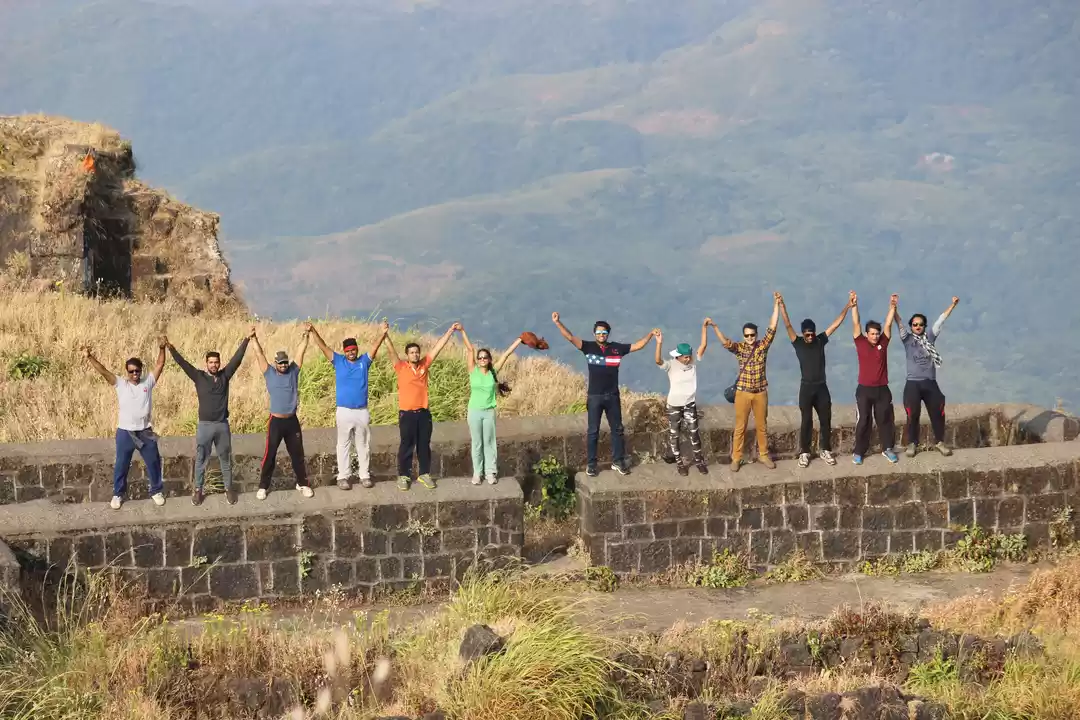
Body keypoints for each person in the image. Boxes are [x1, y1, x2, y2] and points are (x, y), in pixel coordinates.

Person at [552, 313, 658, 477]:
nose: (601, 335)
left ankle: (617, 461)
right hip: (595, 396)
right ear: (594, 334)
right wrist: (558, 322)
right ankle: (592, 464)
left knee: (617, 430)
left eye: (604, 333)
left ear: (608, 334)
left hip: (612, 396)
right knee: (593, 431)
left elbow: (637, 346)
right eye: (599, 333)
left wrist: (651, 334)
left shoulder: (616, 349)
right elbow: (570, 337)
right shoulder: (588, 347)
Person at [167, 329, 252, 506]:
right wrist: (170, 348)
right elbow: (183, 364)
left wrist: (246, 339)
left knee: (225, 460)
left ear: (219, 363)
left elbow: (237, 359)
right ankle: (198, 491)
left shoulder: (224, 376)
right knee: (201, 460)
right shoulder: (199, 376)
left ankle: (229, 490)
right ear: (206, 363)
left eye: (216, 362)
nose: (213, 365)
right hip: (205, 426)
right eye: (211, 362)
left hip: (222, 426)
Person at [81, 338, 168, 509]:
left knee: (154, 462)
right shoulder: (121, 384)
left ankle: (156, 491)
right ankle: (118, 494)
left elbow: (160, 364)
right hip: (125, 432)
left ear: (141, 371)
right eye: (131, 372)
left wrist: (162, 348)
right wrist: (89, 356)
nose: (134, 374)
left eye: (137, 371)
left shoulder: (147, 383)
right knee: (121, 464)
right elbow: (104, 372)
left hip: (145, 431)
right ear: (127, 372)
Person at [306, 319, 388, 490]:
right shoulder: (339, 361)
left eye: (353, 349)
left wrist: (383, 333)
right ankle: (343, 476)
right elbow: (324, 348)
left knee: (363, 444)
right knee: (343, 444)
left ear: (357, 350)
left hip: (361, 411)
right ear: (345, 351)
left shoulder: (364, 362)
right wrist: (313, 331)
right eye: (348, 350)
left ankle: (364, 475)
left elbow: (374, 347)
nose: (351, 352)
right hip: (344, 411)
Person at [779, 295, 853, 468]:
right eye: (807, 334)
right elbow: (787, 325)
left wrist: (848, 306)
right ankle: (805, 452)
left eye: (812, 333)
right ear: (803, 333)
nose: (810, 336)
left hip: (821, 387)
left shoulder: (820, 340)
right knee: (806, 421)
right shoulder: (797, 342)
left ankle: (825, 449)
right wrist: (782, 305)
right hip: (806, 387)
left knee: (825, 419)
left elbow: (836, 324)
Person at [710, 293, 781, 472]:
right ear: (743, 336)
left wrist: (777, 305)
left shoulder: (762, 346)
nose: (749, 338)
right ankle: (736, 457)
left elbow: (772, 327)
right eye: (747, 335)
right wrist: (715, 327)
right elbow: (726, 343)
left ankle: (764, 454)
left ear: (756, 335)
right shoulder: (740, 349)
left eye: (752, 335)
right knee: (740, 427)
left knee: (762, 426)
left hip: (760, 391)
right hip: (743, 392)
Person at [384, 323, 459, 491]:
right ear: (407, 355)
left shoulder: (424, 365)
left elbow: (438, 348)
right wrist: (385, 334)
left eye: (417, 352)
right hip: (407, 414)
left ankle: (424, 474)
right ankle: (404, 475)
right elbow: (391, 352)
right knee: (406, 445)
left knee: (424, 444)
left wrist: (450, 331)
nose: (415, 354)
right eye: (412, 352)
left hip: (424, 413)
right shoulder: (401, 367)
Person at [893, 295, 960, 457]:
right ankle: (912, 443)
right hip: (913, 384)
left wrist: (952, 305)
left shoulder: (930, 337)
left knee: (938, 412)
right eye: (915, 325)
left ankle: (940, 442)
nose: (917, 327)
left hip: (930, 383)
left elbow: (940, 320)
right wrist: (893, 307)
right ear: (911, 326)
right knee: (913, 413)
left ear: (924, 326)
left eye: (920, 324)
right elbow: (899, 323)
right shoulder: (907, 340)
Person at [251, 327, 313, 499]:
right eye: (281, 363)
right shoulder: (269, 372)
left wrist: (306, 334)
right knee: (269, 455)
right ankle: (263, 486)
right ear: (275, 363)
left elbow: (301, 351)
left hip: (292, 421)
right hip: (276, 422)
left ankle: (303, 484)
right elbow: (259, 354)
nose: (284, 365)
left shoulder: (294, 371)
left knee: (297, 455)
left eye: (285, 362)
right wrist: (254, 338)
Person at [459, 326, 523, 485]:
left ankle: (490, 473)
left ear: (489, 360)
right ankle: (477, 473)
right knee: (477, 443)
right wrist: (462, 331)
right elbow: (469, 349)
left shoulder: (493, 372)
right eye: (479, 358)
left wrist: (520, 340)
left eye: (484, 358)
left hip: (489, 411)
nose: (481, 360)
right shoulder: (472, 370)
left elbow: (507, 354)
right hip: (474, 411)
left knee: (489, 442)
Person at [654, 320, 710, 475]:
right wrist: (659, 343)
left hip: (689, 404)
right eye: (685, 357)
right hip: (674, 405)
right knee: (674, 434)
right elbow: (658, 360)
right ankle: (679, 463)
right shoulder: (671, 365)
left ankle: (699, 460)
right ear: (678, 356)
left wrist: (704, 328)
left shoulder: (693, 365)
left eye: (688, 356)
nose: (687, 359)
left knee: (694, 433)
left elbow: (703, 347)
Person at [851, 291, 900, 465]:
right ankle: (858, 452)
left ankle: (887, 449)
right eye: (872, 333)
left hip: (882, 389)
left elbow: (888, 325)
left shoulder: (883, 343)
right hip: (864, 389)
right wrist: (854, 305)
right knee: (863, 420)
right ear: (866, 334)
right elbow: (855, 322)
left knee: (885, 420)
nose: (875, 336)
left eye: (877, 334)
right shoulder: (860, 342)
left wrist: (892, 306)